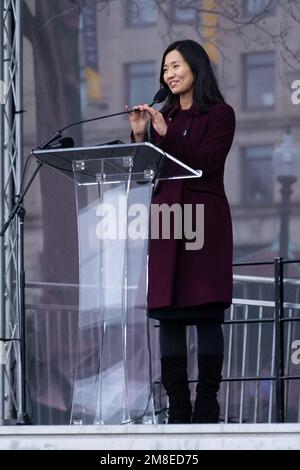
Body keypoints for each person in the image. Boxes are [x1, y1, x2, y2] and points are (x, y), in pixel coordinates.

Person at [127, 39, 235, 424]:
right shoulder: (163, 118)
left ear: (195, 67)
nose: (169, 74)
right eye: (165, 68)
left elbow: (206, 163)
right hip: (167, 219)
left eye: (175, 66)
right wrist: (141, 137)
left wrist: (164, 133)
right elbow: (146, 175)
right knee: (168, 314)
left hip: (203, 221)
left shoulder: (220, 115)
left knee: (205, 312)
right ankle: (177, 405)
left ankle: (207, 402)